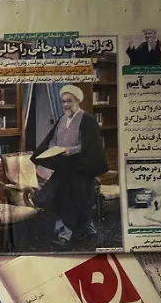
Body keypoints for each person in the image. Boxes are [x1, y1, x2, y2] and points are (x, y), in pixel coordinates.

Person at [30, 85, 109, 247]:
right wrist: (53, 148)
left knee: (80, 202)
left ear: (77, 101)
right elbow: (52, 140)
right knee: (61, 201)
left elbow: (89, 146)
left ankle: (82, 232)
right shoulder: (61, 119)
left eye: (69, 101)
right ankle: (66, 234)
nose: (65, 105)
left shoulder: (88, 120)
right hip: (63, 169)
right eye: (63, 101)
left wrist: (70, 150)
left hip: (81, 170)